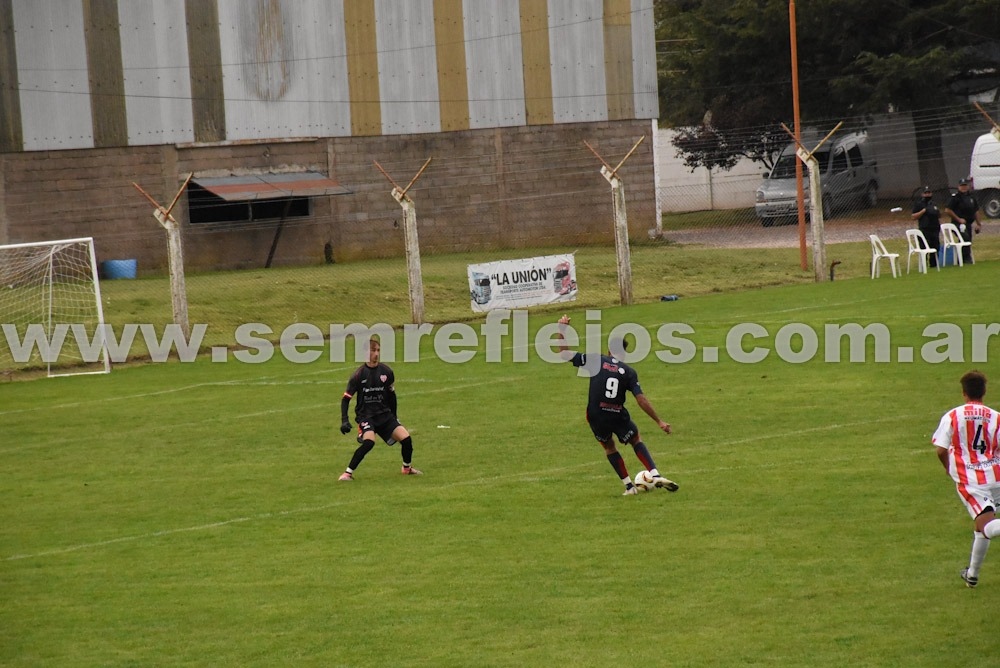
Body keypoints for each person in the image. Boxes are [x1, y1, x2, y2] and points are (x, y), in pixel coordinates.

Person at [556, 315, 679, 496]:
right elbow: (641, 400)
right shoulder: (629, 372)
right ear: (623, 354)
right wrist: (659, 421)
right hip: (617, 414)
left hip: (596, 414)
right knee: (635, 439)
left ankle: (629, 487)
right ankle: (655, 473)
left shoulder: (596, 360)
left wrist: (562, 330)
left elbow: (564, 354)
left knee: (609, 447)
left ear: (608, 350)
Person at [932, 370, 1000, 588]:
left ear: (964, 393)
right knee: (981, 527)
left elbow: (940, 450)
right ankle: (972, 574)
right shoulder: (996, 416)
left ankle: (972, 574)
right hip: (996, 475)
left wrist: (947, 468)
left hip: (972, 480)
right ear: (984, 391)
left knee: (988, 525)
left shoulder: (953, 415)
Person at [338, 338, 422, 480]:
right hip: (366, 416)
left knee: (406, 439)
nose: (376, 354)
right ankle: (347, 473)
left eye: (378, 350)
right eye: (373, 350)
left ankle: (406, 468)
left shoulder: (387, 371)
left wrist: (394, 417)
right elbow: (346, 399)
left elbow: (392, 396)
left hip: (384, 415)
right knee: (369, 442)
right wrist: (344, 420)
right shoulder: (358, 375)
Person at [944, 177, 982, 265]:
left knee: (968, 240)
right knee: (965, 238)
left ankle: (961, 259)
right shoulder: (955, 197)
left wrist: (978, 224)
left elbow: (976, 211)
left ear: (968, 186)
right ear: (958, 186)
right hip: (957, 224)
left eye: (965, 185)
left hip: (968, 223)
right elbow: (947, 210)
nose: (964, 187)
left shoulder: (971, 197)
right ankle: (966, 258)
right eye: (962, 186)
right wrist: (958, 219)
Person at [912, 185, 941, 268]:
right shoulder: (919, 204)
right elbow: (913, 216)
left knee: (935, 247)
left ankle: (934, 264)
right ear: (922, 194)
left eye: (929, 193)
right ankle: (923, 264)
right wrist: (924, 211)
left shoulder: (934, 203)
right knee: (924, 247)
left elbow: (939, 215)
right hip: (924, 229)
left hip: (935, 228)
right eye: (926, 193)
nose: (927, 195)